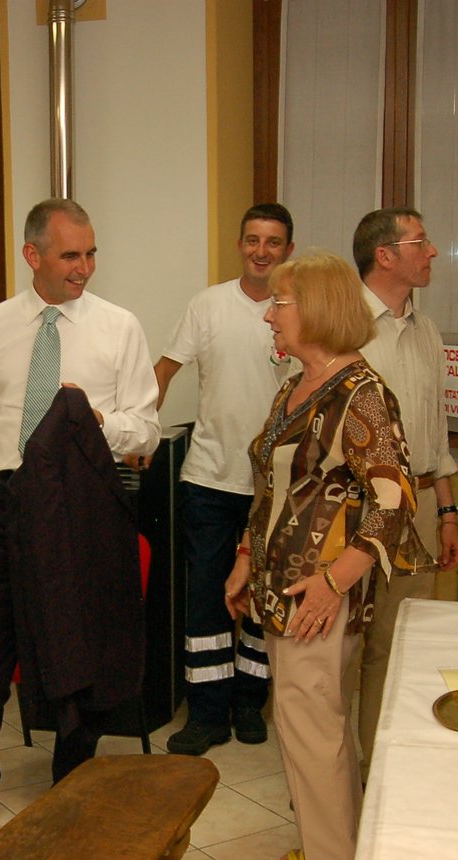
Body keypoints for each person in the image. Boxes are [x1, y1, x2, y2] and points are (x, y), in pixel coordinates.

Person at [0, 198, 159, 855]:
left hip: (83, 505)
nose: (85, 269)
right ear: (33, 256)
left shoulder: (119, 327)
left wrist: (100, 420)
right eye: (71, 255)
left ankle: (70, 793)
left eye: (91, 254)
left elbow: (148, 430)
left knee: (77, 651)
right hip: (6, 505)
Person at [224, 251, 430, 860]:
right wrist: (245, 558)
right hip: (282, 583)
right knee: (305, 719)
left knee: (312, 722)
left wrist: (334, 582)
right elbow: (273, 486)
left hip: (321, 592)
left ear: (312, 310)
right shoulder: (297, 387)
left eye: (279, 303)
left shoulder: (361, 393)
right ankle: (324, 842)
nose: (269, 314)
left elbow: (392, 498)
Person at [154, 204, 294, 756]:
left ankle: (248, 704)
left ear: (288, 249)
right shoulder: (207, 305)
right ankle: (208, 713)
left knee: (263, 600)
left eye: (274, 242)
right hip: (210, 477)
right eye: (253, 240)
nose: (262, 251)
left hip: (277, 489)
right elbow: (164, 371)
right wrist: (140, 434)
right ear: (240, 244)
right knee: (209, 602)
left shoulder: (296, 311)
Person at [350, 208, 458, 773]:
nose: (433, 251)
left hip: (417, 511)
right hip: (355, 512)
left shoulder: (428, 331)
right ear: (385, 255)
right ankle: (330, 802)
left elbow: (435, 432)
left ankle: (384, 780)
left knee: (396, 651)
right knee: (344, 658)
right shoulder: (344, 328)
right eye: (421, 242)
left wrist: (447, 511)